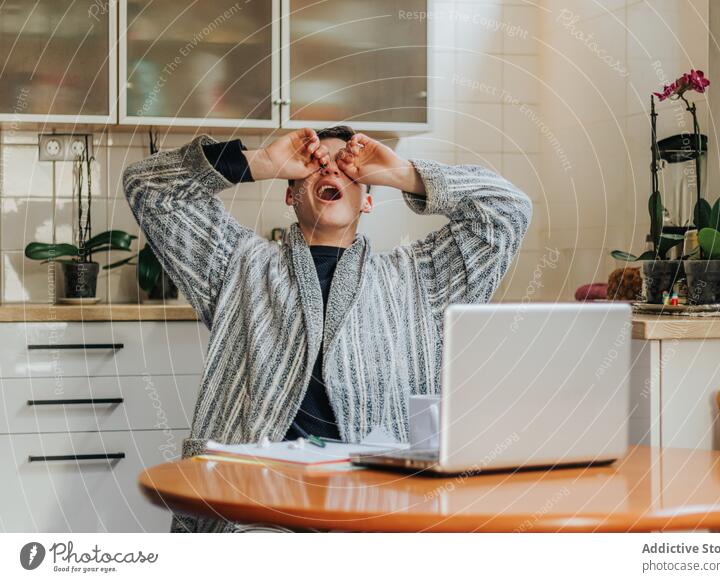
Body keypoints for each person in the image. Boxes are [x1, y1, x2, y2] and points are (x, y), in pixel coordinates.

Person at [123, 126, 532, 532]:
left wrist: (403, 173)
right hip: (251, 514)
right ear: (290, 193)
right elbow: (148, 187)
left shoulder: (420, 280)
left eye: (349, 169)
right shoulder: (237, 266)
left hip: (374, 517)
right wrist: (260, 162)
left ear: (368, 200)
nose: (331, 172)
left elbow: (508, 210)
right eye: (314, 166)